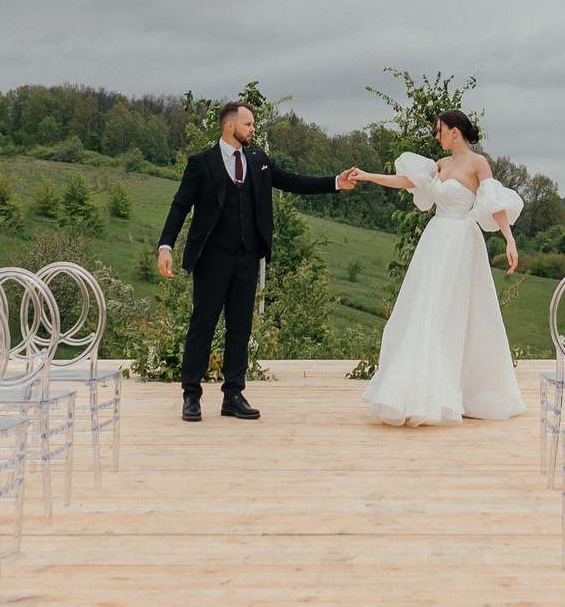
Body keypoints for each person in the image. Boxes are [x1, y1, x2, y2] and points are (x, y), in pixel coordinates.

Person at [156, 101, 357, 423]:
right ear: (230, 126)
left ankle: (233, 395)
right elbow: (180, 205)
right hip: (211, 258)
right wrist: (165, 246)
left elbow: (291, 180)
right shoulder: (201, 163)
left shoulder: (258, 160)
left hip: (247, 256)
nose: (253, 130)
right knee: (202, 326)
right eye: (248, 125)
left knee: (240, 328)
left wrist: (335, 181)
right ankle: (191, 395)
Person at [353, 110, 526, 427]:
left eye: (440, 130)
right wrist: (367, 176)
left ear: (455, 132)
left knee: (461, 313)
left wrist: (509, 240)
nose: (437, 136)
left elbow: (492, 203)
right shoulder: (440, 166)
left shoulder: (478, 164)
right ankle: (421, 390)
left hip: (462, 243)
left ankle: (465, 391)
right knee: (427, 311)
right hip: (435, 241)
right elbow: (406, 181)